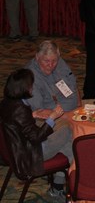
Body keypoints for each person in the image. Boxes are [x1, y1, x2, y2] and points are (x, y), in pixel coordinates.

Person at [0, 68, 73, 200]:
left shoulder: (6, 103)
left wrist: (32, 115)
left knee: (67, 142)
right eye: (30, 85)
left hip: (16, 150)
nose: (32, 87)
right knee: (69, 131)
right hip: (31, 154)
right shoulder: (20, 109)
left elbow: (15, 122)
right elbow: (36, 138)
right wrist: (52, 116)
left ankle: (59, 185)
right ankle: (64, 184)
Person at [24, 41, 80, 118]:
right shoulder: (30, 77)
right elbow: (40, 112)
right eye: (46, 61)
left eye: (54, 61)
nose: (51, 65)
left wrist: (79, 107)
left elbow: (73, 84)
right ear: (37, 57)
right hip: (53, 117)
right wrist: (70, 117)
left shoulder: (59, 61)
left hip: (73, 109)